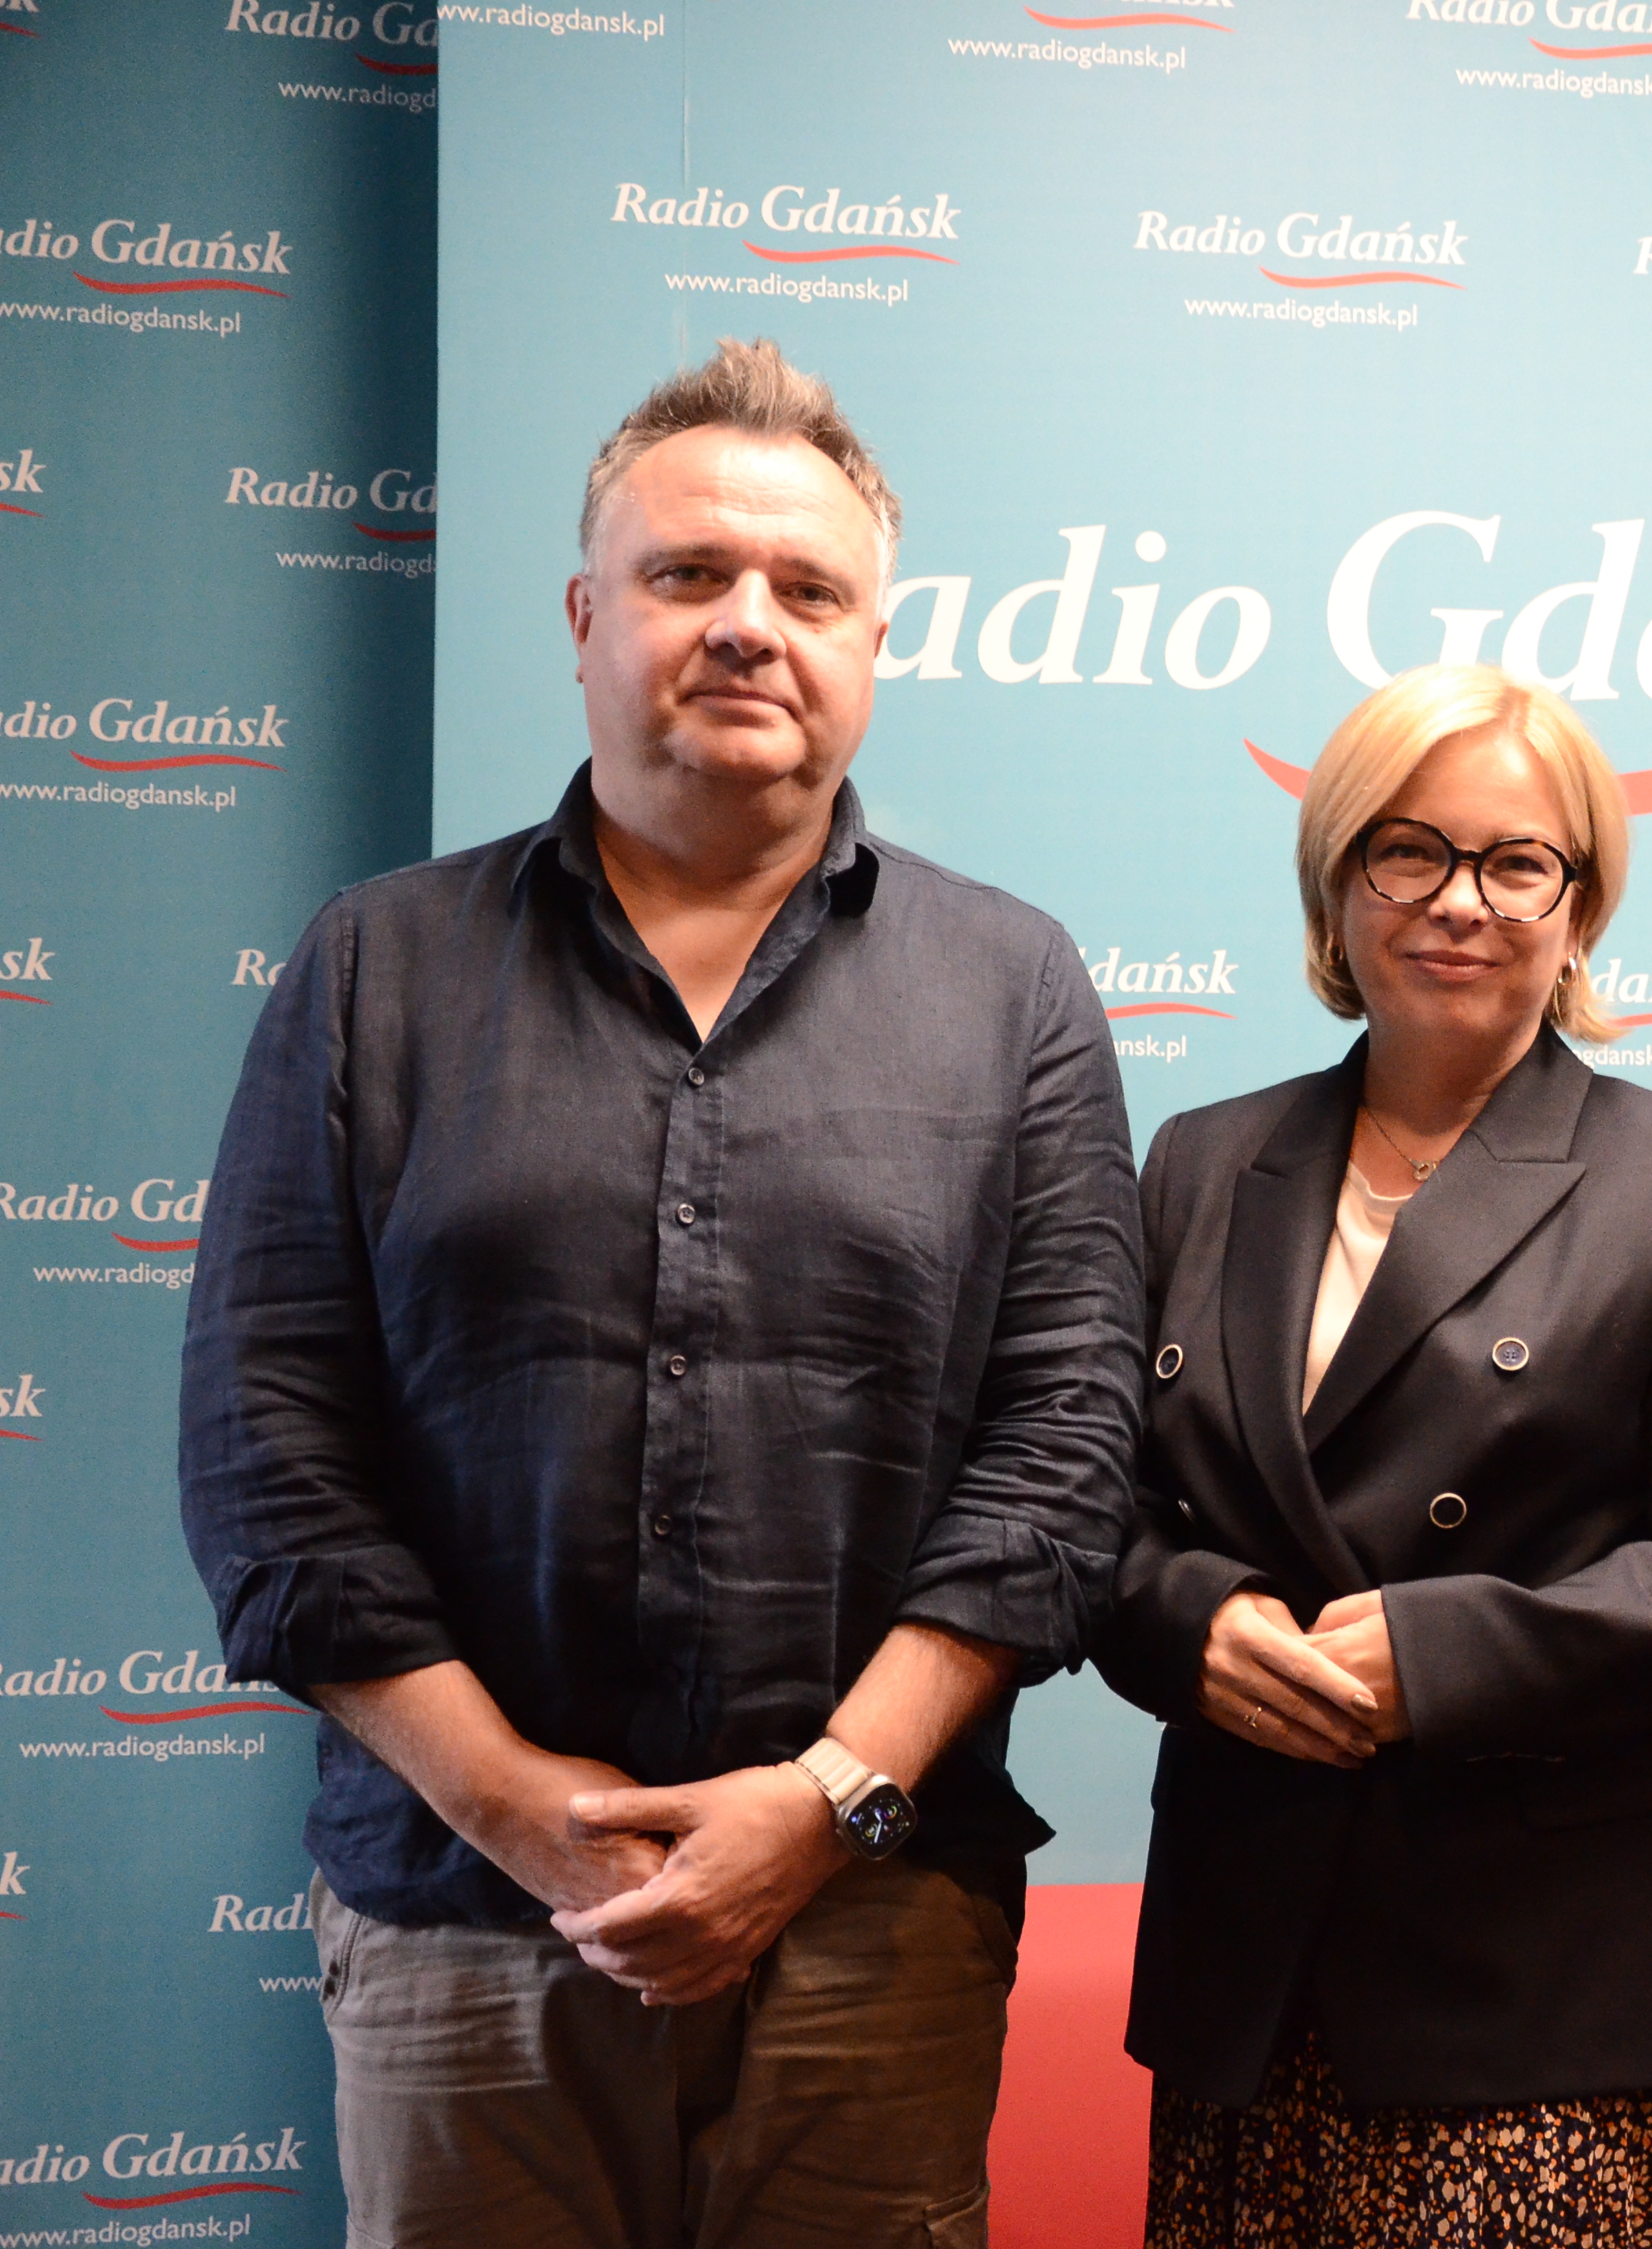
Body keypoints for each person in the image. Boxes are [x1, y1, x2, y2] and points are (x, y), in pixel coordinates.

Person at [177, 337, 1144, 2249]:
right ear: (584, 615)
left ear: (879, 640)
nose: (745, 626)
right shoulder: (376, 967)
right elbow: (266, 1446)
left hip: (875, 1914)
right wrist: (521, 1807)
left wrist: (822, 1802)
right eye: (687, 576)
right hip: (464, 1916)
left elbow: (1065, 1453)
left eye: (808, 590)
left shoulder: (1013, 988)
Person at [1097, 662, 1652, 2246]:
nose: (1462, 902)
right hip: (1260, 1970)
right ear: (1337, 883)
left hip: (1557, 1992)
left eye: (1518, 863)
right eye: (1409, 850)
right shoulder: (1202, 1161)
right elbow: (1093, 1509)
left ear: (1579, 904)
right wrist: (1193, 1624)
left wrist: (1446, 1652)